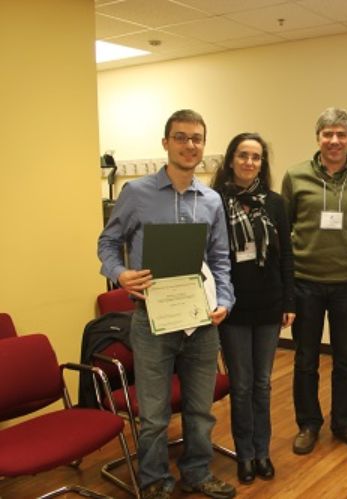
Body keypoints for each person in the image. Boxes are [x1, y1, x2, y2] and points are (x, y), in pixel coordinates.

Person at [98, 109, 236, 499]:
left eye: (197, 138)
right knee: (155, 415)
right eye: (181, 137)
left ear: (203, 146)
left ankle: (196, 472)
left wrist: (225, 300)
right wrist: (120, 274)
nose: (190, 145)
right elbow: (107, 243)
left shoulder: (211, 200)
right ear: (165, 143)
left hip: (201, 321)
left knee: (200, 408)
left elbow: (220, 258)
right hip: (152, 320)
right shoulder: (137, 194)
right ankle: (155, 480)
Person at [281, 107, 347, 455]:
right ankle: (308, 424)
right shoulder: (295, 176)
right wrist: (286, 290)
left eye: (341, 134)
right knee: (305, 359)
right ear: (318, 137)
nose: (334, 141)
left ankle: (344, 422)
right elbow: (283, 235)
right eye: (328, 134)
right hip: (305, 282)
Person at [211, 133, 295, 484]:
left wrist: (289, 301)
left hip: (269, 306)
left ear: (263, 164)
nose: (249, 162)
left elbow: (286, 256)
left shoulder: (274, 203)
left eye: (256, 157)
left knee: (263, 384)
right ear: (230, 160)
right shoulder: (214, 201)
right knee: (242, 385)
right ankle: (244, 454)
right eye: (243, 155)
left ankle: (263, 452)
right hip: (232, 308)